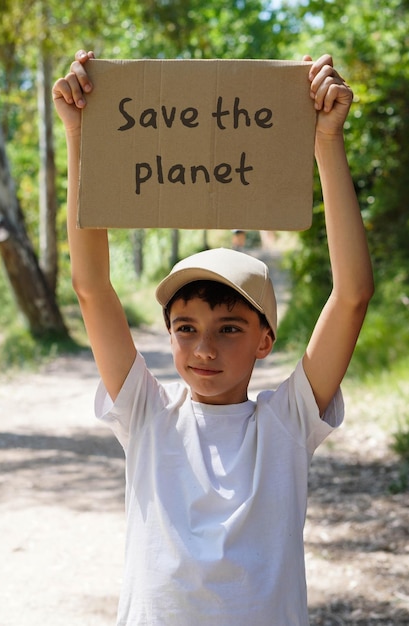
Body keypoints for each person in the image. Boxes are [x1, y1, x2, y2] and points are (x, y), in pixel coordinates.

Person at [52, 50, 374, 626]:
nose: (204, 349)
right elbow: (92, 288)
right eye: (186, 329)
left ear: (264, 340)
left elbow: (352, 294)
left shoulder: (287, 423)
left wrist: (325, 140)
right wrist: (83, 137)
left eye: (230, 329)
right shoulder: (147, 414)